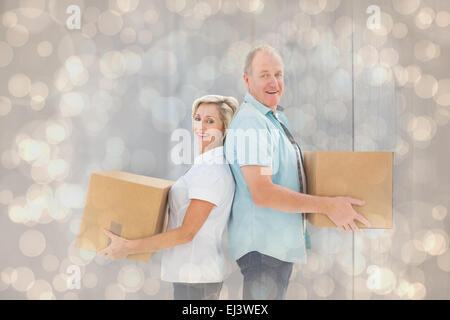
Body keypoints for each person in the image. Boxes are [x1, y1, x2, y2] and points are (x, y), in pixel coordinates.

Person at [224, 45, 371, 300]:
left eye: (279, 75)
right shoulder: (252, 122)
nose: (274, 82)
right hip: (263, 252)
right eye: (264, 74)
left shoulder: (274, 120)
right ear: (247, 81)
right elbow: (263, 193)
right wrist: (327, 206)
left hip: (275, 250)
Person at [99, 95, 239, 300]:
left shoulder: (212, 171)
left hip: (197, 279)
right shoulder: (201, 166)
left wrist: (127, 247)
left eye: (210, 121)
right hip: (191, 275)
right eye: (198, 118)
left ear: (224, 129)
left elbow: (186, 233)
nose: (201, 126)